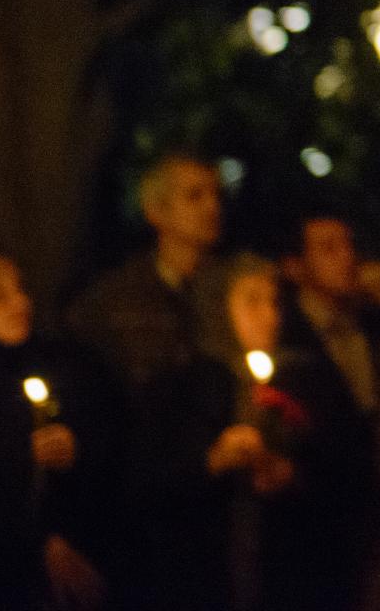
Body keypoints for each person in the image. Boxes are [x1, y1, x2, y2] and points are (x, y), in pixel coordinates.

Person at [128, 252, 303, 611]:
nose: (270, 316)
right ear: (216, 308)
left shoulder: (297, 379)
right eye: (252, 301)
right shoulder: (181, 386)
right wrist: (212, 460)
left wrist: (289, 473)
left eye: (273, 302)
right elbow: (143, 481)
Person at [0, 247, 111, 610]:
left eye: (21, 288)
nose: (20, 301)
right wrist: (19, 456)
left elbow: (104, 450)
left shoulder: (60, 363)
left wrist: (78, 446)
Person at [272, 209, 380, 610]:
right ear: (295, 266)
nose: (347, 257)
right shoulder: (283, 338)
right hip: (313, 530)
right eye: (327, 248)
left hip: (372, 523)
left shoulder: (373, 325)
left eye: (349, 245)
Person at [66, 153, 223, 392]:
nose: (212, 207)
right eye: (194, 196)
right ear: (155, 210)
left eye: (215, 195)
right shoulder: (114, 299)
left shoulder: (232, 288)